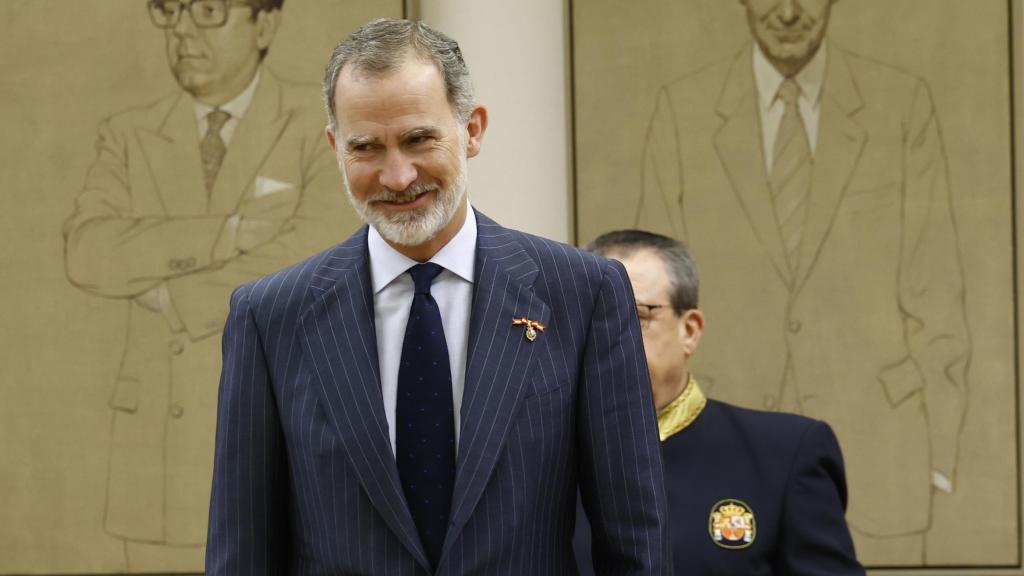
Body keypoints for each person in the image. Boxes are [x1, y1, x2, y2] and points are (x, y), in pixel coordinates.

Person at [205, 18, 668, 575]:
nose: (397, 176)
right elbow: (243, 552)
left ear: (472, 130)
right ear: (335, 147)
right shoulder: (271, 317)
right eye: (366, 148)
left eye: (419, 140)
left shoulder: (582, 294)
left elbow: (635, 543)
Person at [635, 0, 969, 563]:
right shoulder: (683, 108)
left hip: (885, 444)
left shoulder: (900, 101)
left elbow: (936, 285)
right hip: (708, 454)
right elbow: (644, 273)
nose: (788, 12)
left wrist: (940, 457)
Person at [63, 0, 353, 569]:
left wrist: (173, 297)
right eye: (169, 10)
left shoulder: (319, 124)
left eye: (209, 11)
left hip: (283, 440)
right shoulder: (129, 133)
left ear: (263, 23)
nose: (183, 30)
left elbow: (316, 250)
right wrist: (228, 234)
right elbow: (88, 250)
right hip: (155, 454)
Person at [573, 229, 864, 575]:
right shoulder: (540, 457)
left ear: (690, 330)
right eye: (593, 318)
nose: (610, 336)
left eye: (637, 315)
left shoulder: (784, 454)